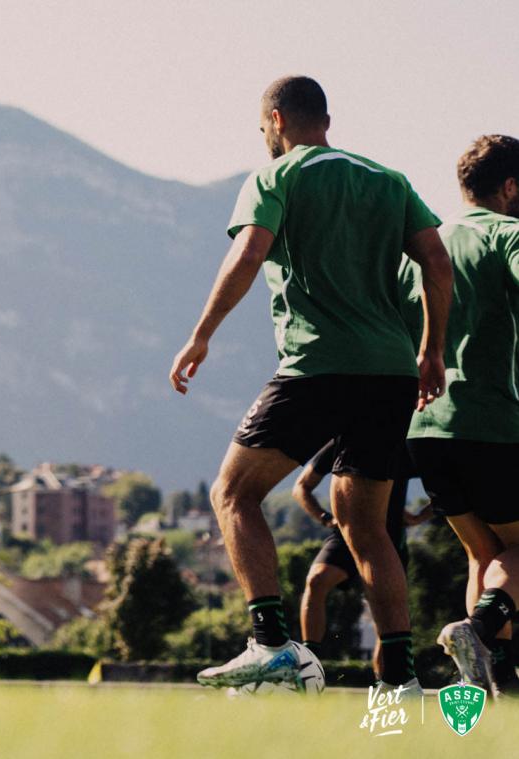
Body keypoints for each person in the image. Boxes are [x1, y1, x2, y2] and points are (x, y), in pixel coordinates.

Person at [169, 75, 453, 693]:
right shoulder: (389, 179)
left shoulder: (278, 175)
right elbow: (436, 260)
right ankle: (400, 681)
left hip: (319, 366)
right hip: (391, 372)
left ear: (275, 120)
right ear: (325, 117)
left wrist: (201, 334)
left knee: (233, 493)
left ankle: (271, 644)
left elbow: (248, 254)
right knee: (367, 527)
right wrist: (430, 350)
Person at [402, 135, 519, 696]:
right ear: (511, 187)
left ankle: (487, 685)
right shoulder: (508, 235)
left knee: (484, 555)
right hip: (492, 422)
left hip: (426, 427)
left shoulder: (426, 245)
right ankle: (477, 632)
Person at [293, 441, 430, 667]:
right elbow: (301, 486)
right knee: (317, 580)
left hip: (389, 537)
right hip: (346, 532)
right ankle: (309, 662)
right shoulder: (342, 438)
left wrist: (420, 517)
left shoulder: (405, 443)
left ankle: (386, 680)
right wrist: (325, 517)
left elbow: (450, 481)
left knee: (386, 614)